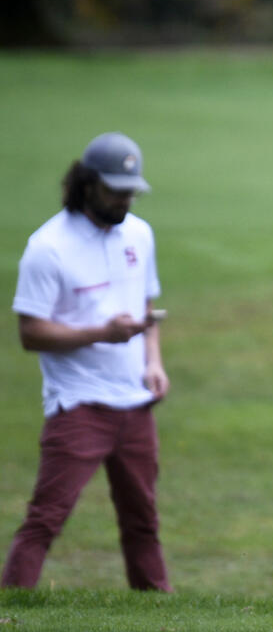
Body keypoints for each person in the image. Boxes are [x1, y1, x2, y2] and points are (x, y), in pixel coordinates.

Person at [3, 132, 172, 591]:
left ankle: (161, 617)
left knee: (143, 522)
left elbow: (146, 309)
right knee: (45, 520)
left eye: (130, 190)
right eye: (116, 190)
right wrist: (102, 333)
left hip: (134, 403)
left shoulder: (139, 233)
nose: (125, 199)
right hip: (79, 404)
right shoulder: (49, 247)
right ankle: (12, 609)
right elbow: (30, 333)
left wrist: (153, 362)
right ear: (87, 184)